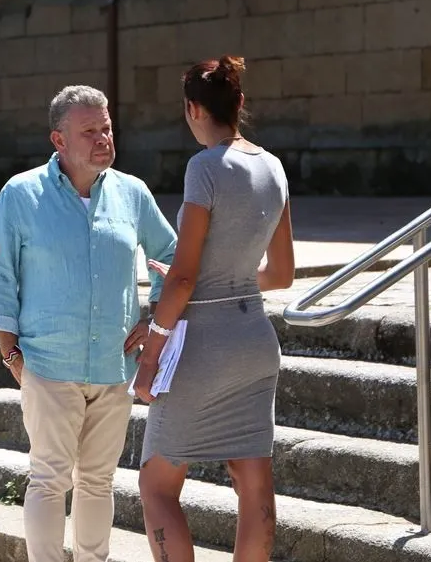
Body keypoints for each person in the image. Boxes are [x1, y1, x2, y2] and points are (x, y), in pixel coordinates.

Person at [0, 84, 178, 562]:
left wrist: (154, 316)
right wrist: (10, 354)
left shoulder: (132, 193)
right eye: (89, 130)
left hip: (115, 365)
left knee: (98, 481)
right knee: (49, 478)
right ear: (59, 140)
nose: (103, 138)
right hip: (47, 363)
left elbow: (172, 256)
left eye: (107, 127)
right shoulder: (21, 194)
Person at [133, 55, 294, 562]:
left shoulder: (204, 168)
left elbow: (181, 278)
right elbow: (282, 274)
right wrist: (220, 282)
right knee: (253, 484)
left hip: (204, 345)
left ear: (192, 109)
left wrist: (150, 357)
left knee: (156, 484)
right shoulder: (273, 166)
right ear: (239, 103)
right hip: (255, 341)